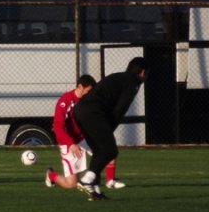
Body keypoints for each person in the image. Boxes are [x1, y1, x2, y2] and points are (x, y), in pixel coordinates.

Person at [73, 56, 148, 200]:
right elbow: (120, 108)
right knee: (110, 150)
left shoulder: (119, 77)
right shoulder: (133, 82)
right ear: (142, 72)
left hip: (80, 110)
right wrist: (110, 128)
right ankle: (86, 180)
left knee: (99, 151)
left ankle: (94, 191)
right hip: (92, 112)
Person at [45, 74, 125, 191]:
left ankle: (110, 181)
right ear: (80, 86)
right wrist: (70, 144)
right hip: (69, 142)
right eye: (88, 90)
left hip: (84, 138)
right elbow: (58, 127)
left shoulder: (89, 101)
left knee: (108, 151)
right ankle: (51, 175)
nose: (90, 93)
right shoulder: (65, 101)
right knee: (71, 184)